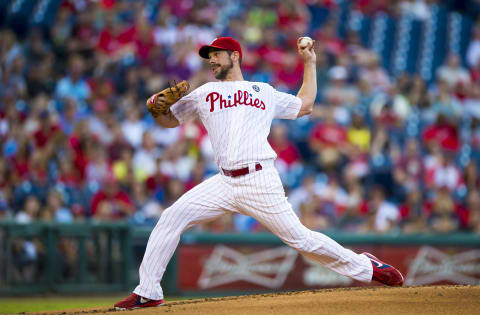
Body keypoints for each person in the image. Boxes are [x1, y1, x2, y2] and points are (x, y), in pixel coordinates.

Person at [114, 36, 404, 310]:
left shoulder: (262, 91)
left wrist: (309, 64)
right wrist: (156, 107)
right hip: (224, 181)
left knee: (301, 240)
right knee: (171, 217)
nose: (211, 61)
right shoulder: (205, 92)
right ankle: (148, 292)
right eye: (209, 57)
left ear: (235, 56)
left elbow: (305, 105)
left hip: (259, 180)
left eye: (216, 55)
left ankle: (367, 267)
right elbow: (169, 120)